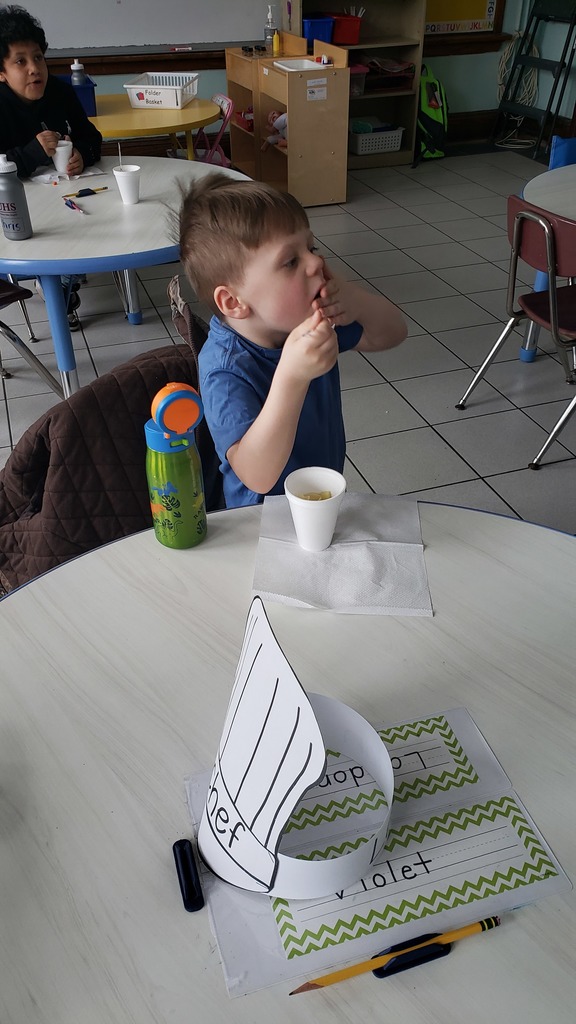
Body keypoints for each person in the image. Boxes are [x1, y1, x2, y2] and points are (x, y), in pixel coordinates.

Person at [179, 173, 407, 509]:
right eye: (291, 261)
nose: (316, 262)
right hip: (260, 523)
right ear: (234, 302)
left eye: (311, 248)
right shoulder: (225, 368)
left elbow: (392, 333)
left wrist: (354, 301)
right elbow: (256, 475)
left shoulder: (306, 321)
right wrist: (292, 376)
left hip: (318, 501)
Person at [0, 5, 102, 327]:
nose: (34, 69)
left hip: (64, 194)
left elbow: (93, 137)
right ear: (1, 72)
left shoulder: (60, 91)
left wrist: (82, 154)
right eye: (20, 61)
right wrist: (32, 152)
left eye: (38, 58)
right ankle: (57, 283)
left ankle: (63, 278)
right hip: (15, 206)